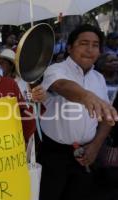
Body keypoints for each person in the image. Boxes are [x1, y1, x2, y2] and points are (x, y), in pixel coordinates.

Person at [38, 24, 118, 200]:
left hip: (87, 154)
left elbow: (107, 118)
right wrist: (86, 96)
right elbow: (62, 86)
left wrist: (96, 146)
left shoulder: (99, 78)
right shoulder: (55, 70)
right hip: (53, 154)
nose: (90, 49)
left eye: (95, 45)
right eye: (83, 43)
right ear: (69, 47)